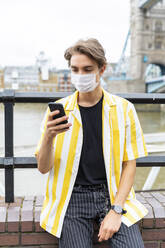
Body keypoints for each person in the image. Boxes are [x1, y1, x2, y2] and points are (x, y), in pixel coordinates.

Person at [35, 38, 148, 248]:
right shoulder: (58, 110)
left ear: (102, 69)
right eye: (75, 69)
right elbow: (43, 168)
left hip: (112, 194)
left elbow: (129, 164)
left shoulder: (124, 109)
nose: (80, 75)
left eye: (87, 69)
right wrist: (49, 137)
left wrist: (116, 210)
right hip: (72, 197)